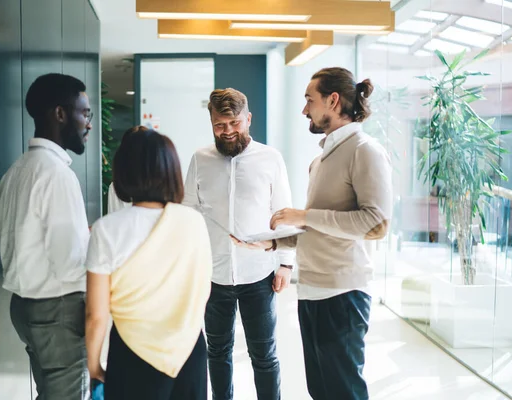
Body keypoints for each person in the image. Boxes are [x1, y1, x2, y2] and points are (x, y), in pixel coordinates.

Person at [234, 67, 393, 400]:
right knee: (320, 391)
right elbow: (319, 230)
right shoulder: (319, 161)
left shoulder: (365, 150)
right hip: (311, 292)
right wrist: (273, 241)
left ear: (333, 101)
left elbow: (376, 223)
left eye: (310, 100)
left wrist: (304, 215)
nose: (304, 109)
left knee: (343, 391)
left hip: (344, 294)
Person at [183, 88, 295, 400]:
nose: (228, 131)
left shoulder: (270, 158)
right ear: (211, 124)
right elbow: (188, 211)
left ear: (248, 119)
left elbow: (282, 212)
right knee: (217, 352)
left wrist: (285, 263)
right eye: (220, 125)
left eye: (234, 123)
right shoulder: (199, 159)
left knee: (264, 354)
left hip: (258, 275)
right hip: (213, 276)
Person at [85, 127, 212, 400]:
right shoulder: (193, 222)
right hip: (188, 349)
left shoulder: (107, 229)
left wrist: (93, 365)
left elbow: (96, 315)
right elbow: (202, 289)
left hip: (133, 353)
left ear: (124, 170)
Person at [0, 73, 93, 399]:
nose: (88, 124)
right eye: (84, 113)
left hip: (25, 308)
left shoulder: (16, 171)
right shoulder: (56, 175)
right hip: (58, 311)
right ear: (60, 114)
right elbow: (69, 264)